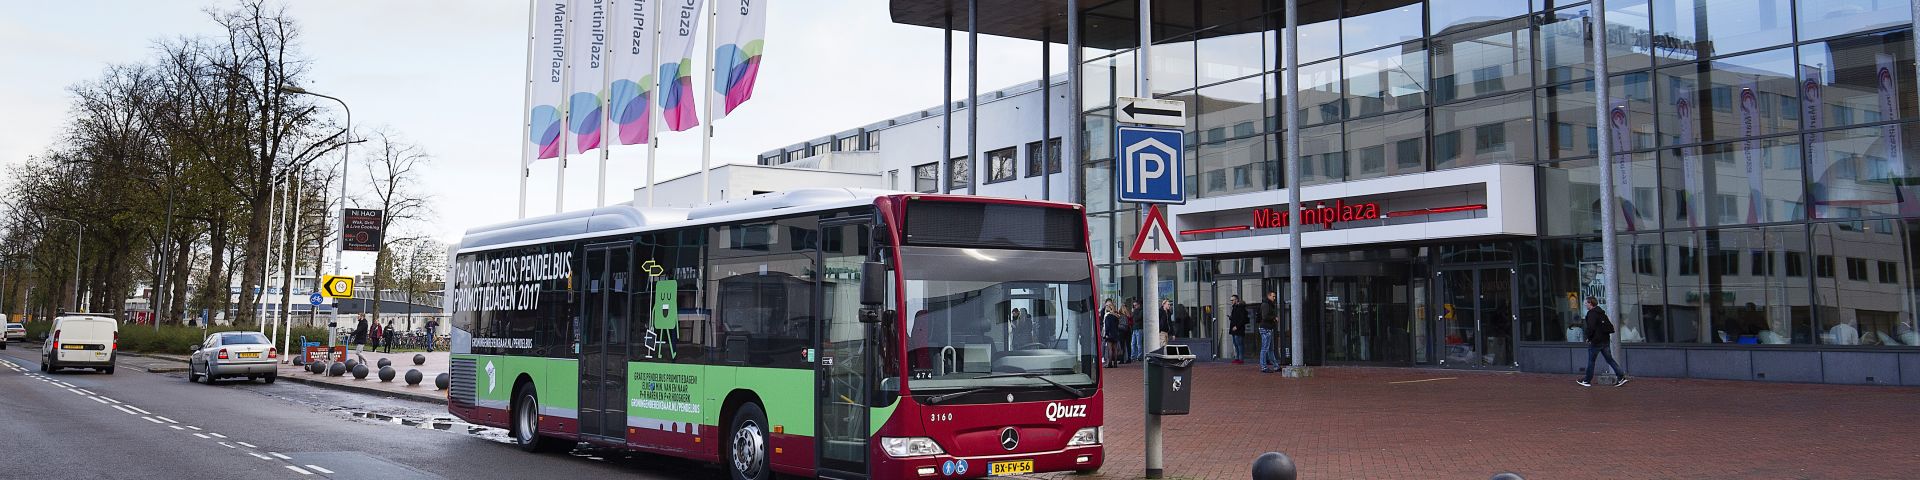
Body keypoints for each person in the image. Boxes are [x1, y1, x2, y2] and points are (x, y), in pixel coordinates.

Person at [1578, 296, 1628, 387]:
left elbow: (1591, 328)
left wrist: (1588, 338)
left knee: (1591, 361)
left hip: (1596, 342)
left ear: (1590, 303)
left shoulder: (1591, 314)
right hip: (1605, 340)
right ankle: (1621, 376)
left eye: (1586, 303)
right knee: (1610, 360)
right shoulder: (1601, 313)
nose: (1585, 305)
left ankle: (1587, 380)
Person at [1259, 291, 1280, 373]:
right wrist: (1274, 318)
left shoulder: (1269, 304)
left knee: (1270, 349)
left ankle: (1276, 366)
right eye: (1273, 296)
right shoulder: (1265, 304)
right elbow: (1265, 316)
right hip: (1265, 328)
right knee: (1265, 349)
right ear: (1269, 296)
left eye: (1275, 297)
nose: (1274, 298)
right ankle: (1263, 367)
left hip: (1269, 328)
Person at [1102, 300, 1124, 368]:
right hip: (1115, 334)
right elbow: (1117, 325)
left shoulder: (1107, 316)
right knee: (1115, 349)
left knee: (1110, 349)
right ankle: (1115, 364)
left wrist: (1106, 334)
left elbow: (1107, 326)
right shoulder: (1116, 316)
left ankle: (1110, 364)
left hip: (1109, 334)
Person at [1228, 295, 1250, 364]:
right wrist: (1231, 318)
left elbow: (1243, 319)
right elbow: (1236, 318)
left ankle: (1241, 359)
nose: (1231, 302)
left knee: (1240, 344)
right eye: (1231, 300)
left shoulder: (1241, 308)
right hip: (1234, 329)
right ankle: (1237, 358)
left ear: (1236, 300)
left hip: (1239, 330)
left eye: (1232, 300)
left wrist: (1237, 326)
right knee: (1235, 344)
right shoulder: (1234, 308)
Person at [1126, 298, 1143, 363]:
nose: (1134, 307)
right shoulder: (1135, 312)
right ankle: (1133, 356)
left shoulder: (1141, 311)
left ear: (1138, 305)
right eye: (1134, 305)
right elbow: (1132, 318)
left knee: (1139, 343)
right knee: (1133, 343)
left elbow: (1137, 318)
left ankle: (1139, 356)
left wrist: (1134, 312)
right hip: (1134, 328)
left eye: (1135, 305)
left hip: (1139, 328)